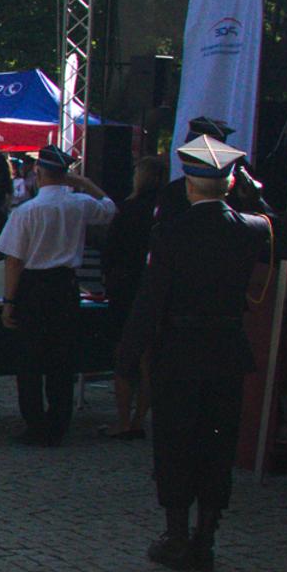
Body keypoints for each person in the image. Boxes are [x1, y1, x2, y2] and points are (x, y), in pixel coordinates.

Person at [120, 135, 287, 572]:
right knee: (217, 443)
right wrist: (259, 199)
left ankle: (177, 533)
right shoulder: (252, 228)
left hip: (178, 352)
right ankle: (206, 536)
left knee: (176, 442)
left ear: (188, 185)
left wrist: (127, 354)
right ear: (231, 179)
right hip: (225, 351)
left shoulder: (170, 234)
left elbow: (151, 300)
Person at [0, 145, 116, 446]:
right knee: (62, 359)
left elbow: (14, 260)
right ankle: (58, 423)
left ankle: (35, 424)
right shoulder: (80, 202)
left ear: (38, 173)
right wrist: (85, 183)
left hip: (34, 286)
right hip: (65, 285)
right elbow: (110, 209)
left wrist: (9, 301)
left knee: (31, 359)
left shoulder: (27, 211)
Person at [102, 155, 166, 440]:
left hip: (127, 289)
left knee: (125, 356)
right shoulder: (168, 210)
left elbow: (110, 252)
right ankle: (139, 418)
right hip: (155, 287)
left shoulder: (129, 210)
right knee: (148, 357)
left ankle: (124, 419)